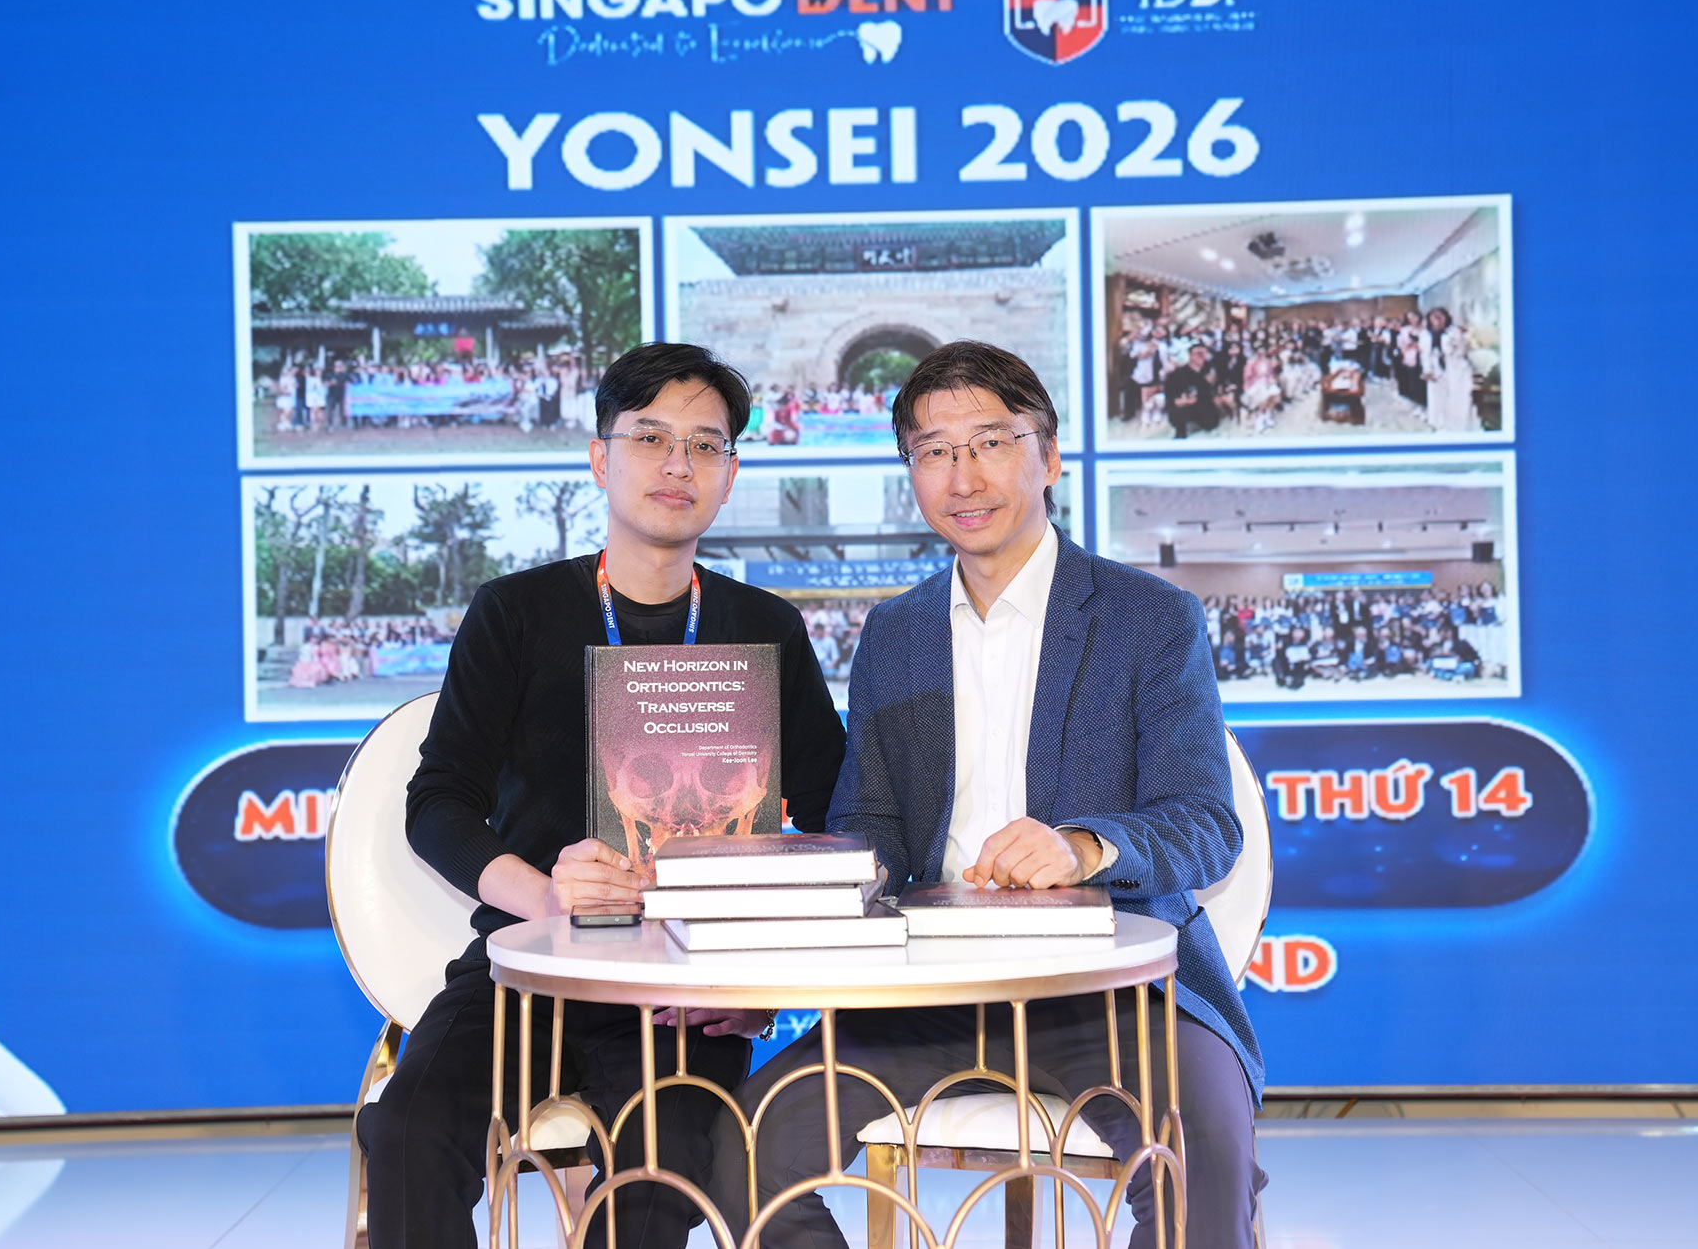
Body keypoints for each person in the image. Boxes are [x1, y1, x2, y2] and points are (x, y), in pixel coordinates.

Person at [713, 341, 1264, 1249]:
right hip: (926, 990)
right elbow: (870, 824)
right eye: (932, 451)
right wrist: (803, 873)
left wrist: (1083, 847)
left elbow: (1204, 823)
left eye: (989, 443)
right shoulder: (895, 632)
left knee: (1199, 1159)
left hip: (1110, 989)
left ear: (1048, 456)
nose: (961, 477)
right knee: (740, 1151)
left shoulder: (1148, 617)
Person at [355, 343, 847, 1249]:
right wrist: (544, 895)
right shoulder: (515, 612)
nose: (677, 465)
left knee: (661, 1174)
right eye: (650, 437)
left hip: (686, 990)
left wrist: (764, 989)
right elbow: (439, 802)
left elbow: (830, 823)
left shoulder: (765, 628)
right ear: (598, 457)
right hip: (526, 968)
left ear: (730, 474)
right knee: (407, 1131)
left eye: (705, 445)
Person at [1164, 342, 1221, 440]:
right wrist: (1182, 401)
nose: (1201, 357)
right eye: (1198, 354)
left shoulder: (1210, 371)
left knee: (1211, 423)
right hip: (1184, 407)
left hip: (1204, 408)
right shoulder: (1177, 374)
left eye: (1204, 354)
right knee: (1177, 413)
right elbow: (1171, 396)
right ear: (1190, 356)